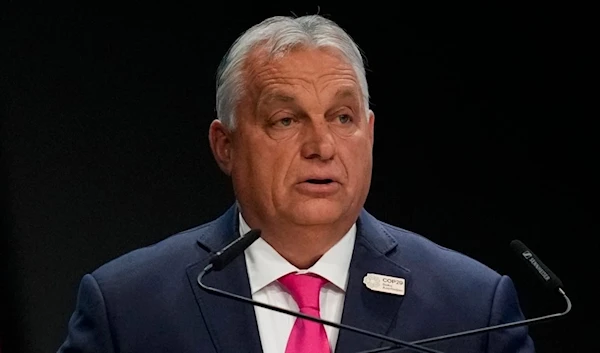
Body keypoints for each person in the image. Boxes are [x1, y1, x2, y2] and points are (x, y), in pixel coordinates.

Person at [57, 14, 535, 353]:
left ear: (369, 134)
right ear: (225, 145)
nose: (322, 146)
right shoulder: (128, 307)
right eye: (286, 120)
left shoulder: (471, 308)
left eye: (343, 117)